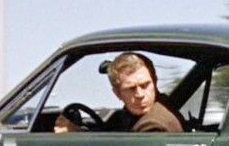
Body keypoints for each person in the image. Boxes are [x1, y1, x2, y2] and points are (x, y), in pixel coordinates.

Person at [54, 52, 184, 133]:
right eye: (131, 88)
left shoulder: (152, 126)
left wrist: (77, 135)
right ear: (117, 93)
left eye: (145, 85)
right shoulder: (136, 114)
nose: (140, 94)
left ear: (155, 82)